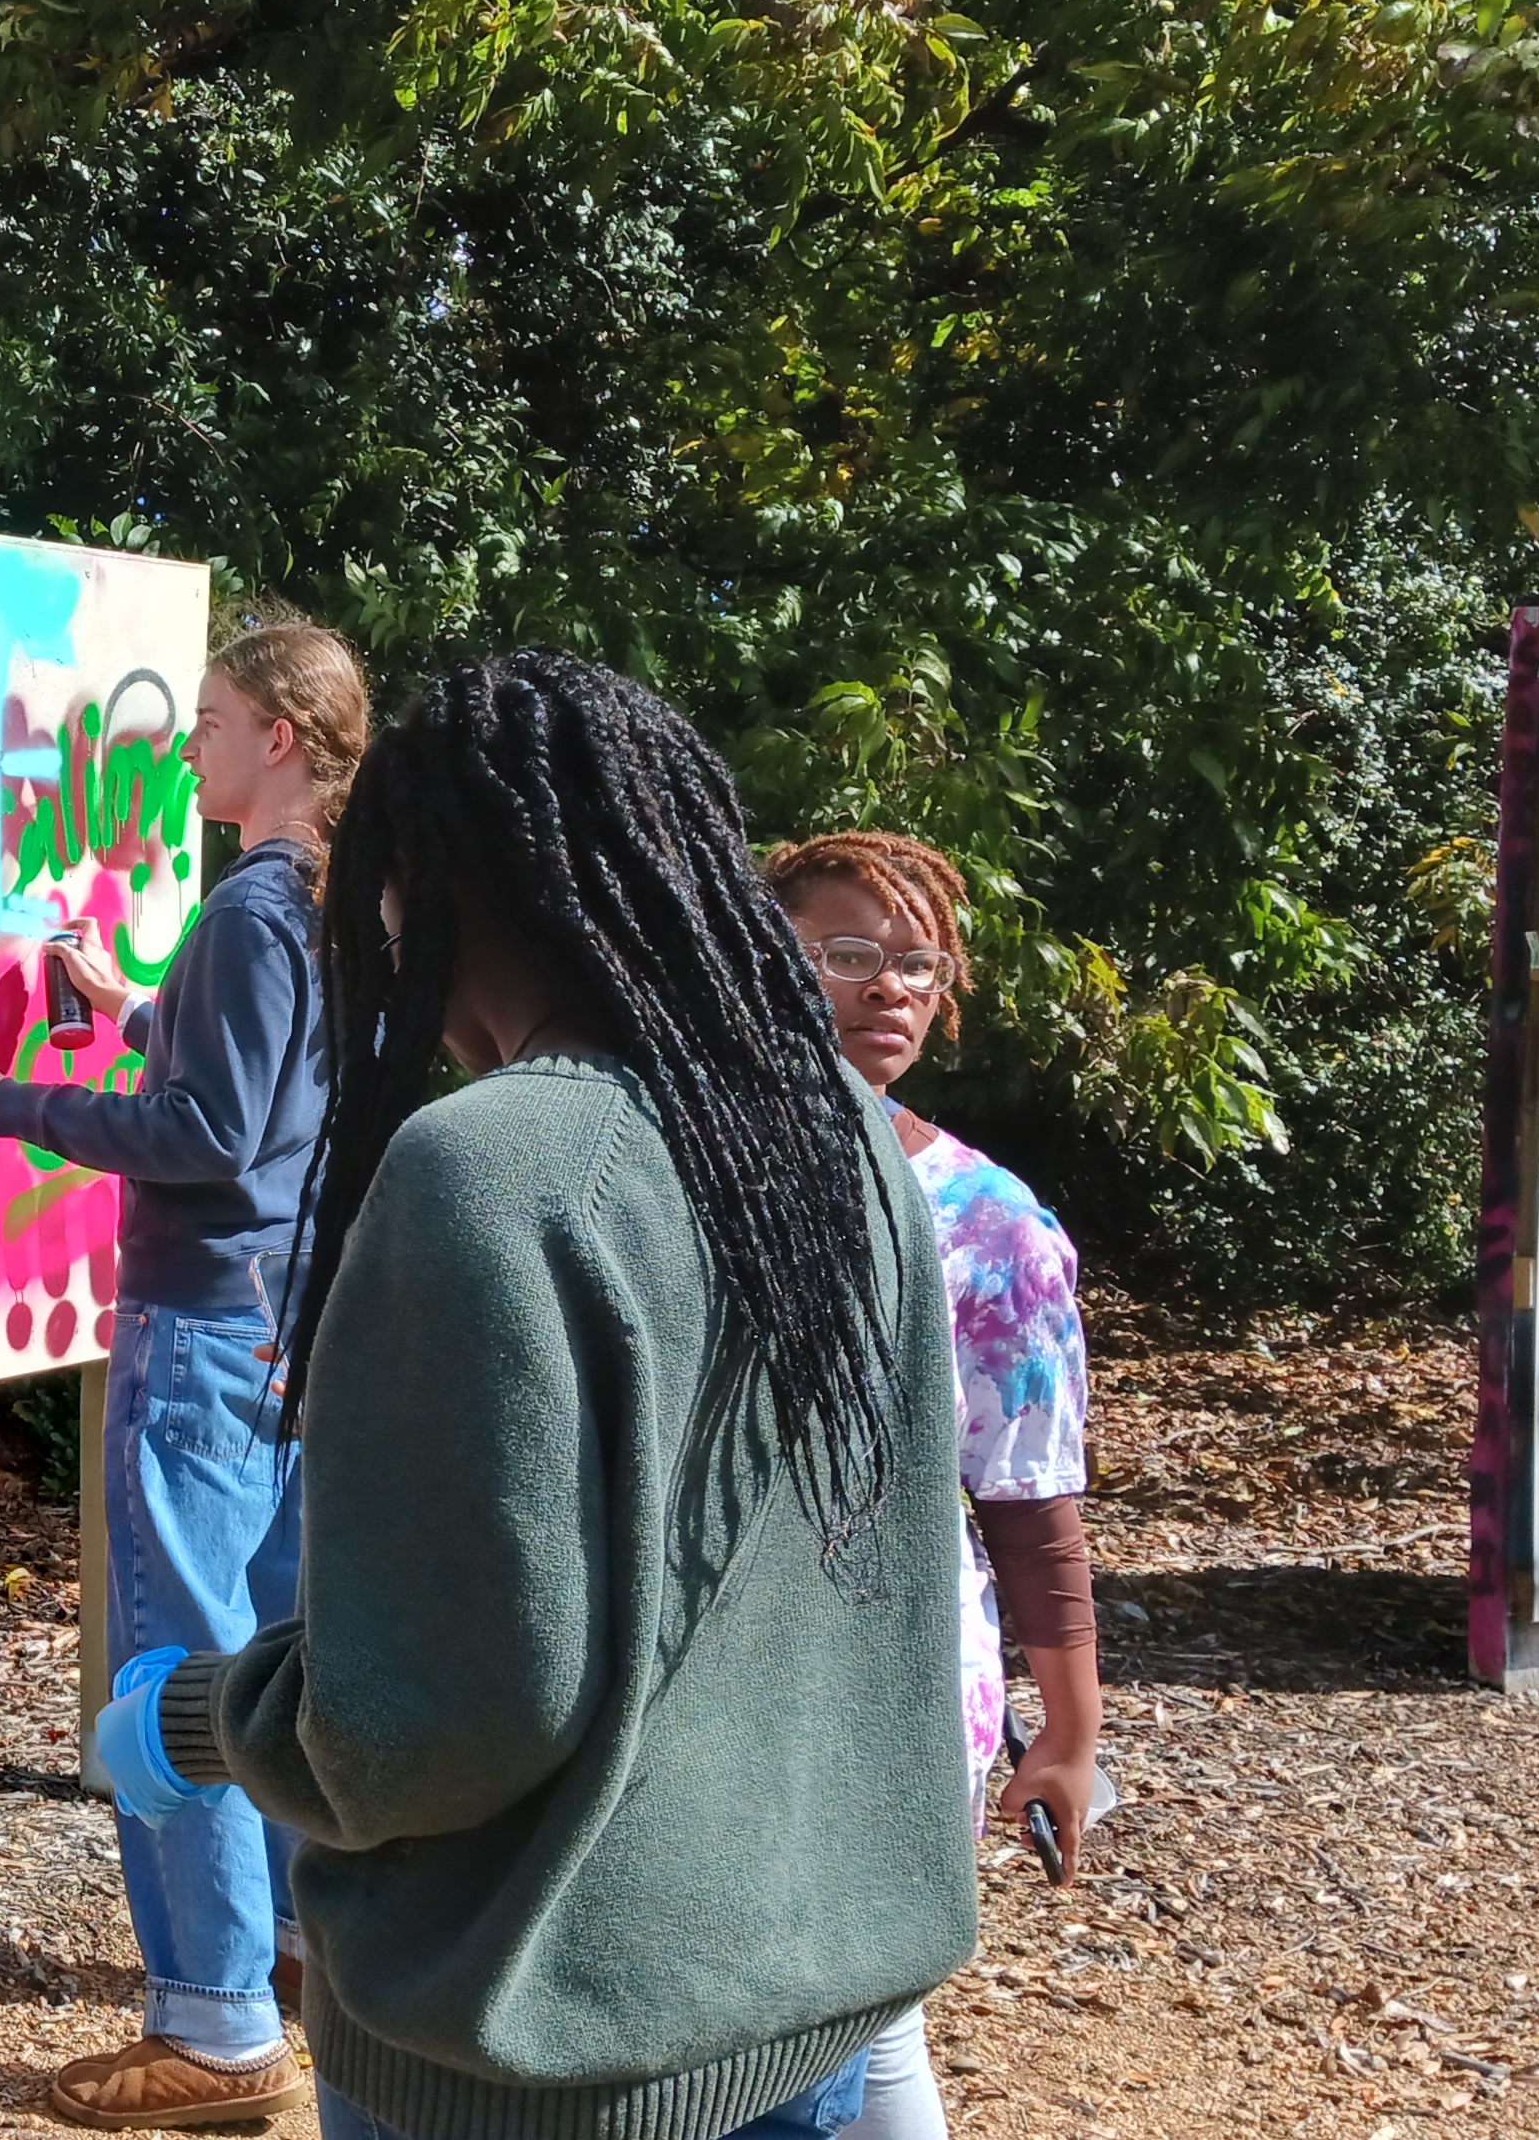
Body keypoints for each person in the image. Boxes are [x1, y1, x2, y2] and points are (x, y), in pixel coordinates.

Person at [84, 650, 973, 2140]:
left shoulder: (491, 1169)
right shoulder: (842, 1134)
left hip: (536, 2056)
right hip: (807, 2004)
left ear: (421, 894)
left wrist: (192, 1719)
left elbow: (431, 1725)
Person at [0, 620, 367, 2128]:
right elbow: (274, 1092)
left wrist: (11, 1103)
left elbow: (209, 1136)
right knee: (279, 1647)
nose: (189, 743)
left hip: (204, 1330)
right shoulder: (339, 900)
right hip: (294, 1320)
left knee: (178, 1670)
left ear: (281, 740)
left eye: (214, 720)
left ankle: (216, 2031)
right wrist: (136, 1011)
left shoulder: (249, 906)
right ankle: (295, 1950)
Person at [761, 832, 1101, 2140]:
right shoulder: (672, 1168)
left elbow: (1030, 1506)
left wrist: (1069, 1733)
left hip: (891, 1691)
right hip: (701, 1674)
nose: (889, 987)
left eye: (918, 963)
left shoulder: (986, 1223)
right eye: (848, 953)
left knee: (856, 2012)